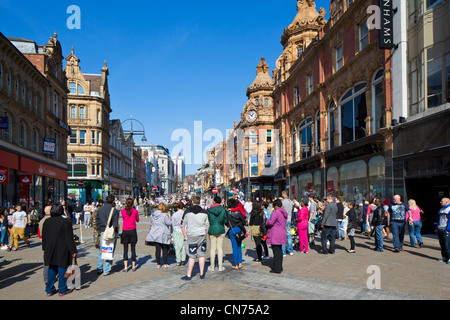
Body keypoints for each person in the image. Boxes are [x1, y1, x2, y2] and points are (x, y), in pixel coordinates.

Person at [42, 204, 78, 297]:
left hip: (50, 248)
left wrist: (44, 247)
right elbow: (69, 238)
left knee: (51, 268)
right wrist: (73, 250)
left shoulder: (47, 221)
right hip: (63, 248)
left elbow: (44, 236)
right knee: (62, 268)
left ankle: (49, 290)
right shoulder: (66, 222)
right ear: (62, 211)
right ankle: (62, 289)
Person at [181, 196, 209, 280]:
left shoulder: (187, 212)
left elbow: (182, 225)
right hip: (202, 235)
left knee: (191, 256)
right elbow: (207, 225)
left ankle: (189, 275)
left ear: (192, 202)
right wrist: (205, 234)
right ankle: (202, 274)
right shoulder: (204, 212)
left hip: (191, 235)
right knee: (201, 255)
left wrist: (185, 236)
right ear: (199, 202)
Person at [95, 195, 120, 276]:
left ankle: (99, 268)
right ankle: (107, 270)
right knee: (110, 250)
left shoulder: (100, 209)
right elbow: (115, 224)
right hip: (111, 233)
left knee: (102, 250)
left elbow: (97, 221)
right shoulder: (115, 211)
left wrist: (100, 228)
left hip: (103, 231)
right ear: (113, 201)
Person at [146, 203, 172, 269]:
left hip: (155, 232)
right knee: (164, 249)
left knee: (157, 249)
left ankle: (158, 264)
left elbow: (151, 224)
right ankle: (165, 263)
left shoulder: (153, 215)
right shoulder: (164, 215)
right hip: (163, 232)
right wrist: (171, 219)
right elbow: (168, 223)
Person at [266, 199, 288, 274]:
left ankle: (277, 268)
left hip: (275, 233)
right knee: (279, 251)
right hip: (282, 232)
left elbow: (271, 221)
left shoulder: (276, 212)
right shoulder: (283, 212)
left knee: (276, 251)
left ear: (276, 206)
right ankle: (279, 267)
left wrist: (266, 222)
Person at [206, 196, 228, 271]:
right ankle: (220, 266)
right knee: (220, 248)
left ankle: (212, 267)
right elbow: (226, 220)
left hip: (212, 229)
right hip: (221, 229)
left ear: (214, 201)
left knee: (212, 248)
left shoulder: (209, 210)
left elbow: (208, 219)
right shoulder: (223, 210)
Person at [226, 198, 246, 270]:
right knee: (239, 247)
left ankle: (236, 264)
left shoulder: (227, 212)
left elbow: (226, 223)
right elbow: (244, 222)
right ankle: (240, 263)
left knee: (234, 247)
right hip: (239, 229)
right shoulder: (238, 212)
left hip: (232, 230)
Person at [121, 198, 140, 272]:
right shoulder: (135, 211)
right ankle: (133, 266)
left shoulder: (122, 211)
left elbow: (123, 218)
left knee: (125, 249)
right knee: (133, 249)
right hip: (132, 230)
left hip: (125, 230)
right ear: (132, 204)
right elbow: (137, 220)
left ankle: (125, 267)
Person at [38, 205, 52, 285]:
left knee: (47, 261)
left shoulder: (42, 220)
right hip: (51, 243)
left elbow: (40, 233)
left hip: (45, 243)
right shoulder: (50, 220)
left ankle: (46, 278)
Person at [172, 201, 187, 266]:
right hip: (184, 229)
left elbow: (173, 224)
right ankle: (183, 259)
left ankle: (178, 261)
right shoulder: (185, 214)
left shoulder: (174, 214)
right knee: (183, 245)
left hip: (176, 230)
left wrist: (172, 233)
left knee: (177, 246)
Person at [436, 197, 450, 263]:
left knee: (447, 245)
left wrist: (447, 229)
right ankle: (444, 257)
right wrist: (437, 228)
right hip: (440, 229)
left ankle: (449, 258)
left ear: (447, 202)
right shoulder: (441, 210)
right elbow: (439, 220)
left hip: (446, 230)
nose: (440, 202)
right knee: (442, 245)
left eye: (442, 201)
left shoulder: (449, 209)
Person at [281, 191, 294, 256]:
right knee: (289, 235)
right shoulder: (290, 202)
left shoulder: (283, 202)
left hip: (284, 220)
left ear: (283, 194)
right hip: (289, 218)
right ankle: (290, 250)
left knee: (283, 235)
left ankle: (283, 252)